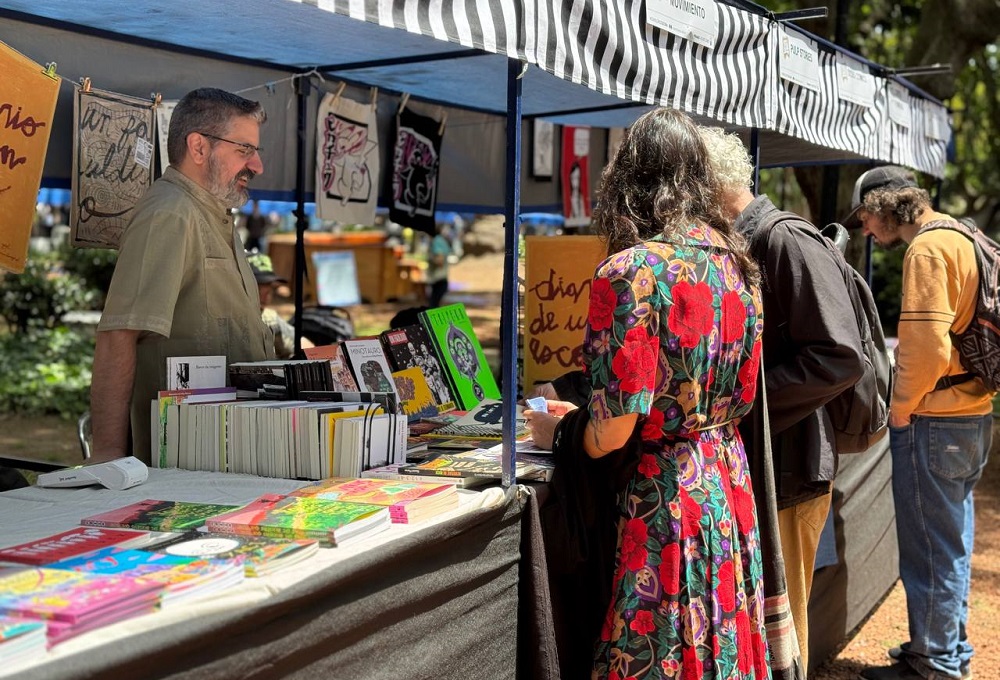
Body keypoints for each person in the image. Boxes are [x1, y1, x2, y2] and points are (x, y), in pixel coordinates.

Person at [525, 108, 770, 679]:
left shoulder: (631, 272)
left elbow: (613, 431)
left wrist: (559, 429)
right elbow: (748, 392)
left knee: (658, 643)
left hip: (664, 493)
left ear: (627, 178)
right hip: (725, 478)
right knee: (714, 641)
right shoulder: (737, 266)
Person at [699, 126, 866, 677]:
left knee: (782, 634)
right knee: (768, 631)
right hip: (772, 467)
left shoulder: (782, 238)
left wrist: (743, 401)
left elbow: (840, 357)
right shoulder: (750, 240)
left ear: (710, 185)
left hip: (790, 472)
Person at [850, 167, 993, 680]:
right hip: (971, 413)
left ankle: (932, 664)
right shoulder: (962, 233)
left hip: (935, 419)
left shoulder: (926, 250)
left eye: (865, 215)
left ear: (887, 205)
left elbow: (926, 346)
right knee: (951, 539)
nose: (865, 228)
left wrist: (902, 407)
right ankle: (944, 649)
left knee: (931, 543)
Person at [89, 88, 274, 465]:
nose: (257, 166)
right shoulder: (170, 214)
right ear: (199, 147)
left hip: (220, 449)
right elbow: (119, 334)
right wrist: (107, 454)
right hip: (179, 460)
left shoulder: (213, 213)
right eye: (244, 150)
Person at [247, 251, 303, 360]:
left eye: (269, 287)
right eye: (257, 287)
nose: (266, 296)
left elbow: (303, 345)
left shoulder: (268, 318)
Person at [426, 223, 452, 307]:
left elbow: (440, 259)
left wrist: (431, 259)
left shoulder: (436, 241)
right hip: (441, 279)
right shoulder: (441, 240)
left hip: (439, 279)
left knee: (434, 306)